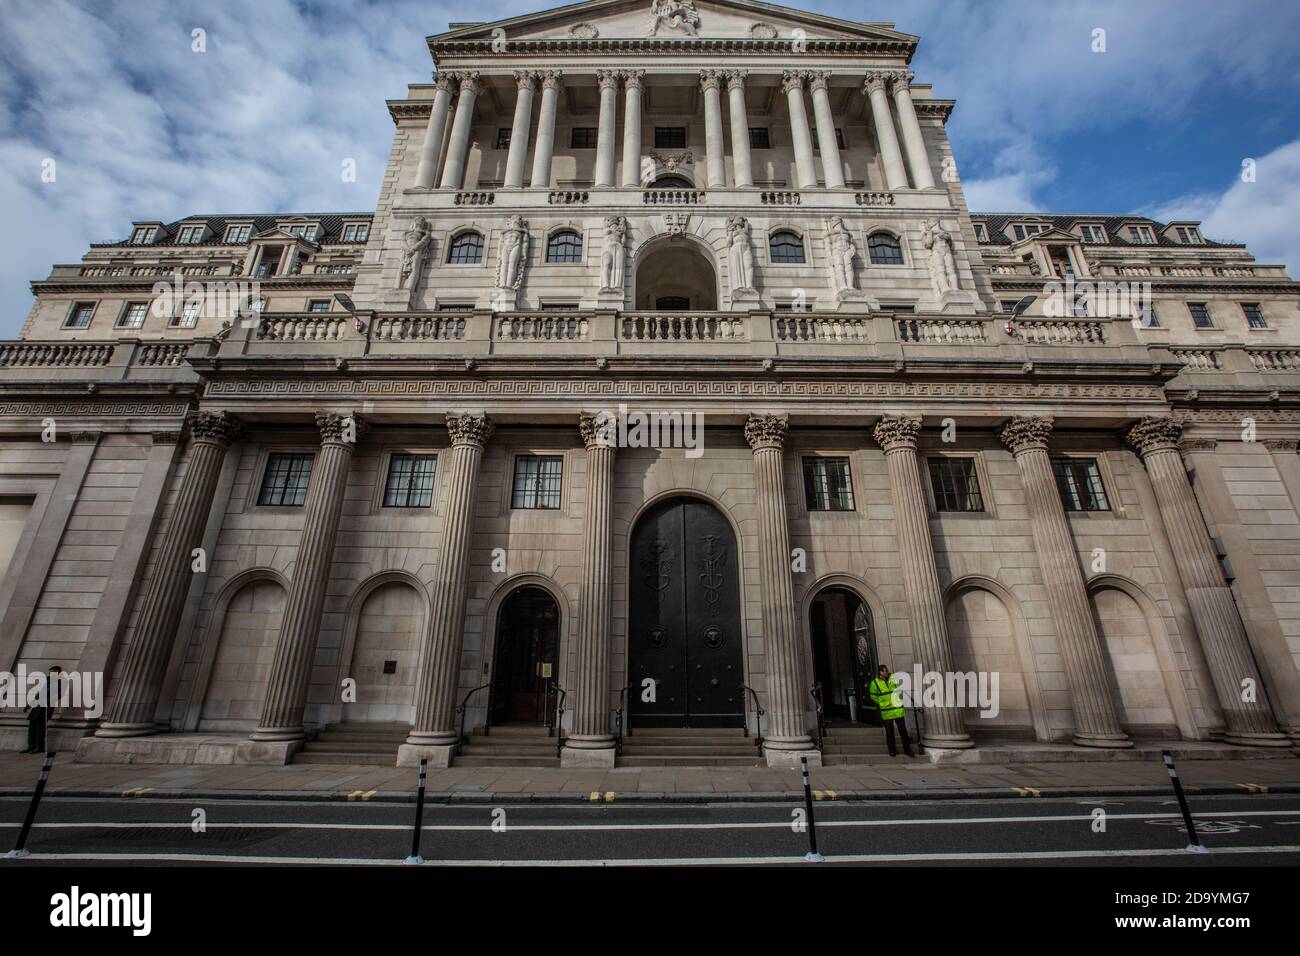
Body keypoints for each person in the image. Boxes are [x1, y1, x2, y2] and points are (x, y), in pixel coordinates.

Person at [868, 663, 914, 757]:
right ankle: (892, 750)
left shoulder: (894, 678)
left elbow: (901, 689)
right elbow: (873, 696)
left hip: (897, 710)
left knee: (903, 731)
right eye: (884, 671)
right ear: (880, 672)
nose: (887, 672)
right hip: (887, 711)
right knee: (889, 732)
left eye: (887, 670)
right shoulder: (875, 682)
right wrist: (882, 702)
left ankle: (907, 749)